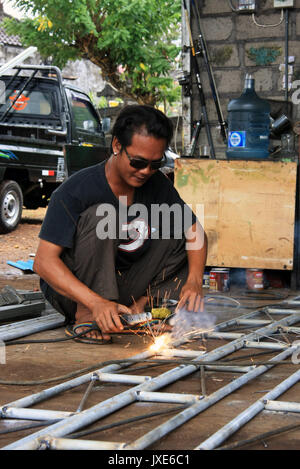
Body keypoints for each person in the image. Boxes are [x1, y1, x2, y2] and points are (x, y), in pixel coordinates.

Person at [33, 105, 207, 344]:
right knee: (102, 216)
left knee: (181, 240)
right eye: (138, 162)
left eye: (155, 164)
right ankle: (87, 316)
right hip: (78, 293)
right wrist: (94, 302)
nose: (146, 171)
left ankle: (139, 308)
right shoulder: (76, 190)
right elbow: (43, 262)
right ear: (117, 146)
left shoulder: (156, 184)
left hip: (122, 285)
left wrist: (194, 281)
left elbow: (195, 231)